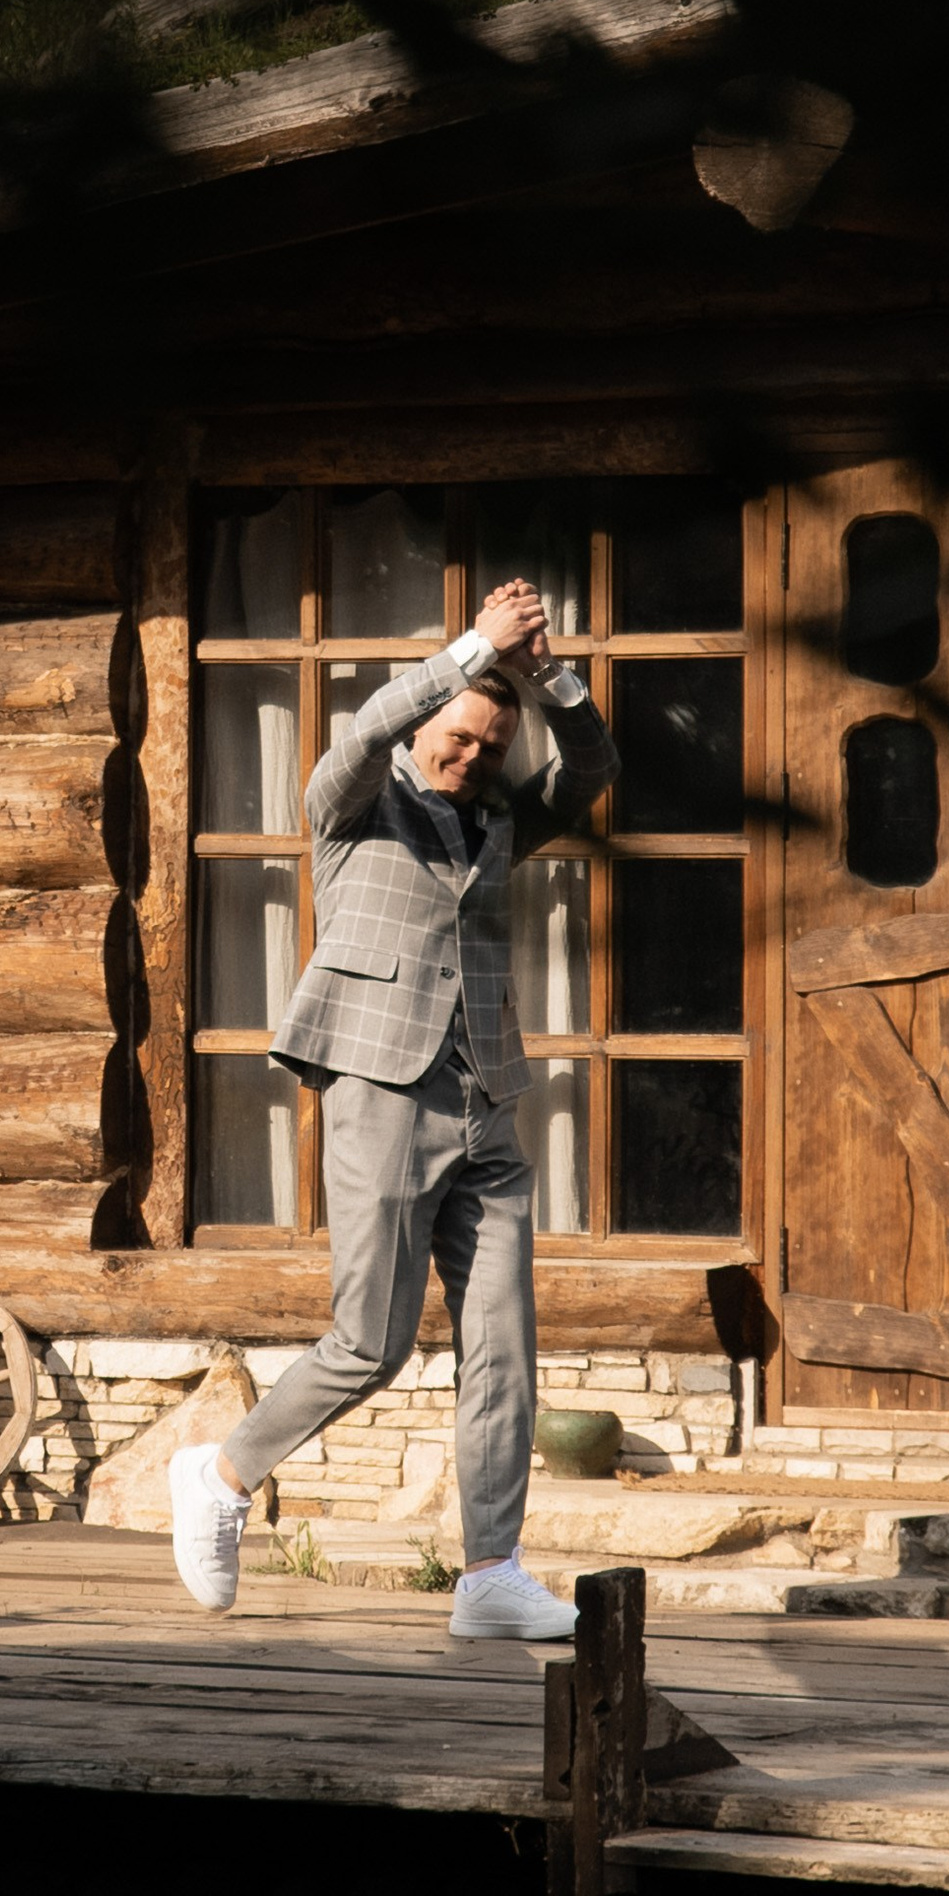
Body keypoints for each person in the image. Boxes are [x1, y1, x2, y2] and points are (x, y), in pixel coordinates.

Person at [169, 575, 616, 1637]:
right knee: (368, 1340)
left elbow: (591, 765)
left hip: (488, 1098)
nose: (468, 760)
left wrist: (545, 673)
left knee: (503, 1345)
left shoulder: (499, 814)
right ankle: (223, 1476)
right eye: (456, 740)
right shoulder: (351, 802)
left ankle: (490, 1573)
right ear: (428, 721)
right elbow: (366, 727)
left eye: (486, 749)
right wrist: (473, 648)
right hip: (380, 1087)